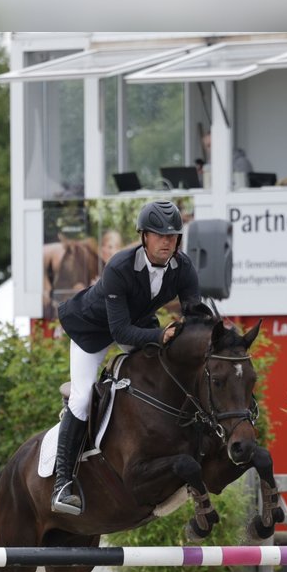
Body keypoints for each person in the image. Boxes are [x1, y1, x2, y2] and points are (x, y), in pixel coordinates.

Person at [52, 199, 202, 515]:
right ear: (144, 236)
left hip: (137, 325)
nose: (168, 241)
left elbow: (195, 316)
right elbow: (120, 333)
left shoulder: (183, 267)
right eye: (160, 235)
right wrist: (160, 335)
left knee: (166, 373)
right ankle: (62, 484)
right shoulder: (119, 266)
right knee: (81, 400)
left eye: (173, 236)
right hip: (92, 332)